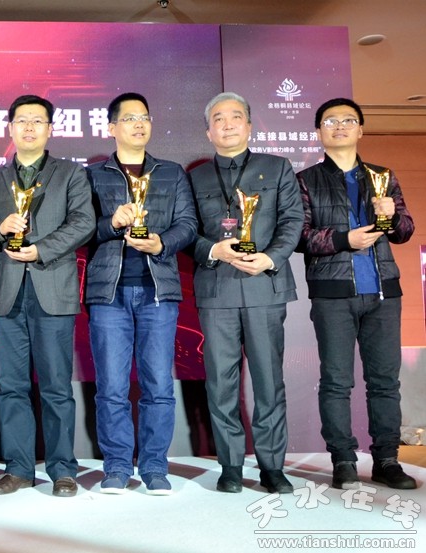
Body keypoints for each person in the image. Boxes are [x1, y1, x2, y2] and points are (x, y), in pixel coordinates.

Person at [296, 98, 417, 490]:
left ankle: (387, 460)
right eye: (331, 121)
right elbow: (299, 236)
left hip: (383, 293)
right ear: (319, 131)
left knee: (385, 382)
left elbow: (404, 231)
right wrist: (343, 240)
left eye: (349, 120)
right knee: (336, 381)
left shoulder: (383, 176)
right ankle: (344, 460)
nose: (340, 126)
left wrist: (391, 215)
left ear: (361, 129)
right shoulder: (306, 180)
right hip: (333, 294)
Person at [188, 92, 303, 494]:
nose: (227, 124)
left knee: (269, 381)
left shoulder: (277, 167)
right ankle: (231, 466)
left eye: (235, 116)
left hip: (263, 286)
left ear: (249, 126)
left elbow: (293, 220)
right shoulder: (196, 177)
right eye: (218, 119)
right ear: (208, 131)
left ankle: (272, 467)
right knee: (221, 383)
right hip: (216, 290)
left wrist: (271, 258)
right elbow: (187, 231)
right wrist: (212, 250)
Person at [0, 95, 94, 497]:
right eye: (22, 121)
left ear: (50, 129)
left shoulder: (70, 174)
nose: (29, 127)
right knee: (11, 386)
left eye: (37, 121)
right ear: (9, 128)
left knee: (56, 386)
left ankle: (63, 469)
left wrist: (40, 249)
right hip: (7, 292)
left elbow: (83, 222)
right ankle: (18, 469)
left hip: (53, 288)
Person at [85, 92, 197, 495]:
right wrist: (111, 223)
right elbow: (80, 229)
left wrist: (162, 243)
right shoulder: (92, 175)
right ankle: (116, 467)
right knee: (112, 387)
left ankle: (154, 467)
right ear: (111, 127)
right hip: (108, 292)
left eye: (144, 117)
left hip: (158, 291)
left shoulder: (171, 173)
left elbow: (188, 223)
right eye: (130, 118)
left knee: (158, 386)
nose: (139, 124)